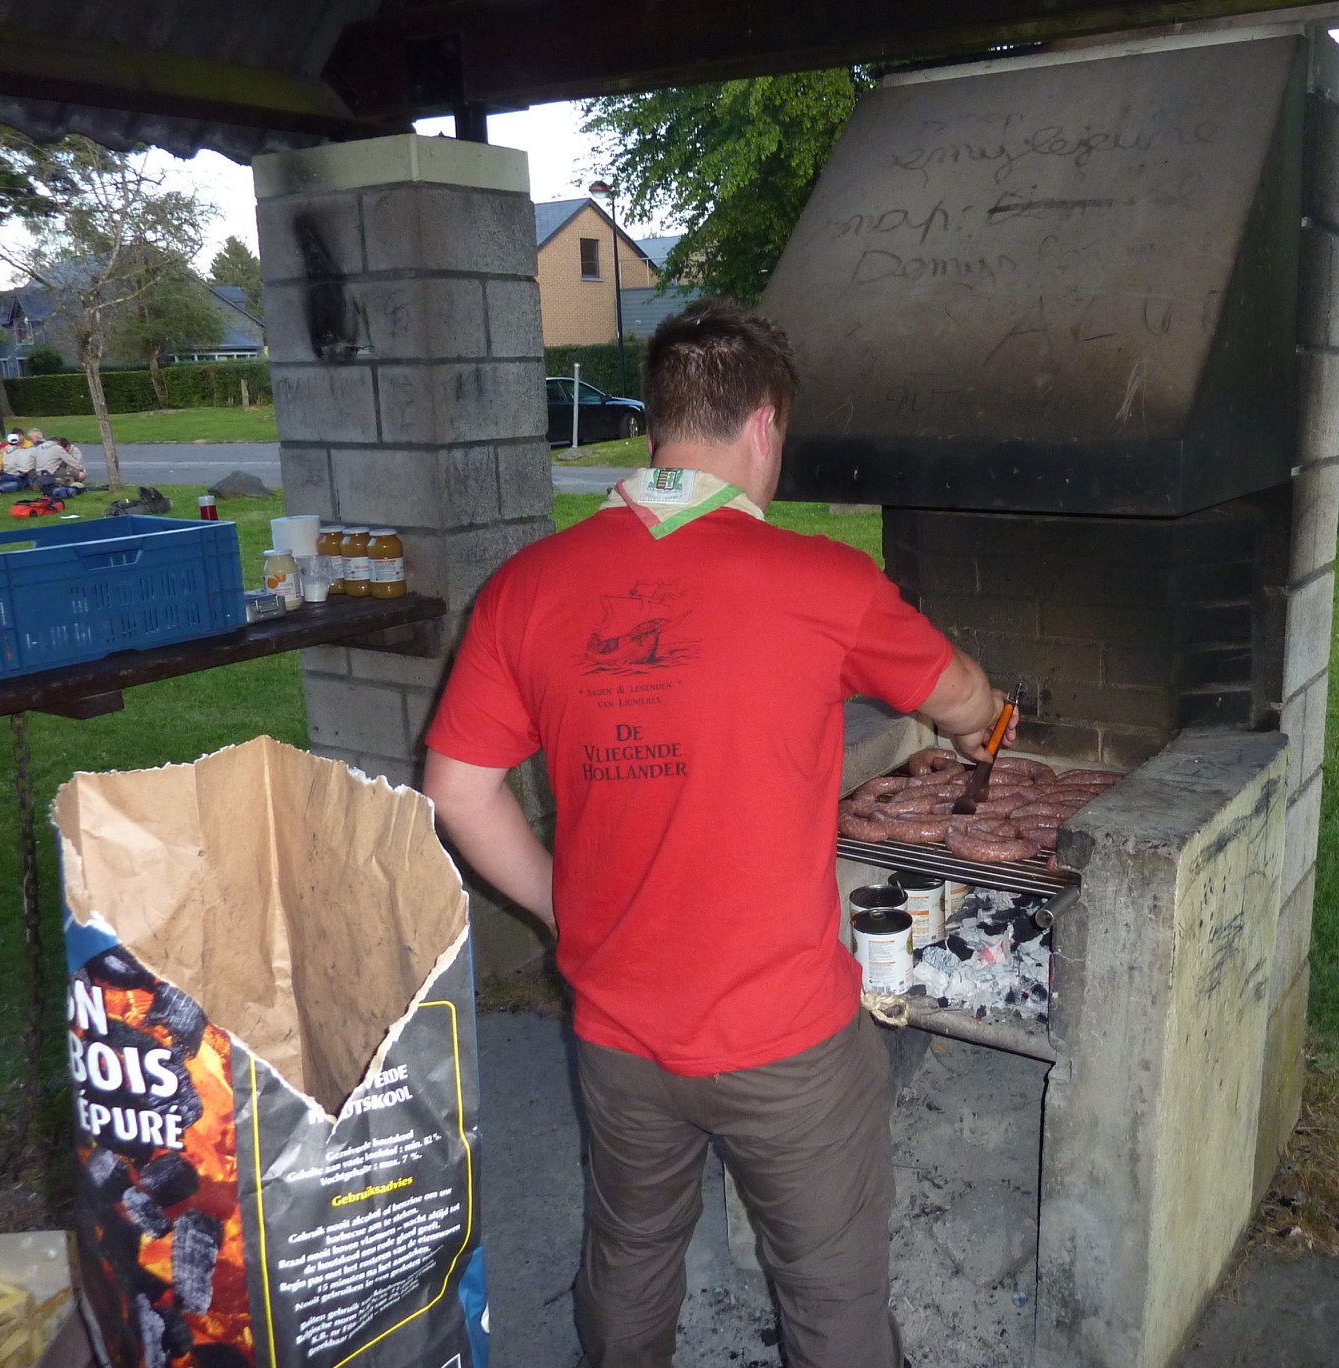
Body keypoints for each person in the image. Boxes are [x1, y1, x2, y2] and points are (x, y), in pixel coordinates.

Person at [423, 299, 1008, 1368]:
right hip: (789, 1044)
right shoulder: (825, 583)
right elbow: (961, 694)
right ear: (765, 428)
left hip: (616, 1034)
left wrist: (569, 910)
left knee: (631, 1258)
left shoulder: (526, 589)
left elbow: (459, 790)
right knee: (831, 1297)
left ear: (657, 427)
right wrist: (992, 724)